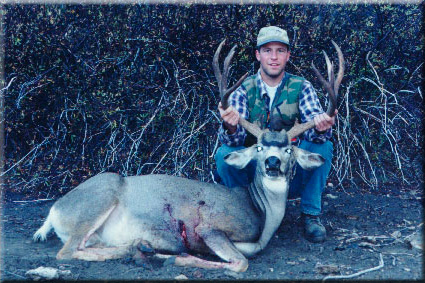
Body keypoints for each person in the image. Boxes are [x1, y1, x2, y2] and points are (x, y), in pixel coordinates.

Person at [214, 26, 336, 243]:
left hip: (289, 170)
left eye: (280, 50)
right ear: (257, 54)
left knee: (323, 147)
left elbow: (317, 136)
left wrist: (321, 126)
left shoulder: (301, 87)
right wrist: (231, 126)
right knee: (225, 154)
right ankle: (243, 213)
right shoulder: (243, 89)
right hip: (256, 173)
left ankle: (310, 214)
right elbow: (235, 142)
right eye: (268, 50)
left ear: (288, 55)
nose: (274, 57)